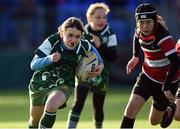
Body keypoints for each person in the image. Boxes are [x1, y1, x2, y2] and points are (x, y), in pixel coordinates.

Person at [28, 17, 104, 129]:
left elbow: (94, 51)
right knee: (34, 121)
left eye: (77, 36)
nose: (73, 40)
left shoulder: (83, 45)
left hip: (64, 84)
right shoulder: (52, 41)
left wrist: (101, 64)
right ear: (62, 33)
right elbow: (33, 64)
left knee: (51, 104)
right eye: (70, 35)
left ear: (81, 36)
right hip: (40, 83)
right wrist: (49, 58)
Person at [120, 3, 179, 128]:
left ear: (155, 21)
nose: (145, 26)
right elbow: (136, 37)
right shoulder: (139, 30)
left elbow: (175, 62)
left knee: (155, 121)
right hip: (147, 76)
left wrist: (167, 86)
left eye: (148, 22)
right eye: (141, 23)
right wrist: (135, 56)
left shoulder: (163, 37)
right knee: (130, 110)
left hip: (167, 81)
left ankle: (169, 109)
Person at [66, 3, 118, 129]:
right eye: (98, 17)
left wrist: (101, 46)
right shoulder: (81, 33)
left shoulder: (110, 34)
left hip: (101, 75)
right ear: (89, 18)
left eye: (104, 17)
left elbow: (113, 57)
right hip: (83, 74)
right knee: (78, 103)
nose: (102, 20)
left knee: (98, 108)